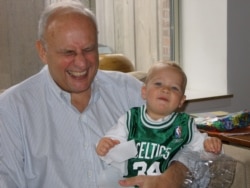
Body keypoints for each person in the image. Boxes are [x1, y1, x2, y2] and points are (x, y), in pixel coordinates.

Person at [0, 1, 194, 188]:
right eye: (68, 52)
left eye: (88, 49)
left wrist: (173, 176)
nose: (81, 63)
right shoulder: (12, 109)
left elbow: (190, 144)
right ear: (43, 51)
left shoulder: (129, 92)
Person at [96, 62, 222, 185]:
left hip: (166, 184)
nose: (166, 90)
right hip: (131, 182)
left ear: (181, 101)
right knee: (105, 179)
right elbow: (114, 141)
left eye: (174, 88)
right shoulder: (131, 119)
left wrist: (210, 145)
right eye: (158, 84)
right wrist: (106, 144)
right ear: (144, 91)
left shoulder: (183, 124)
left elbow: (200, 152)